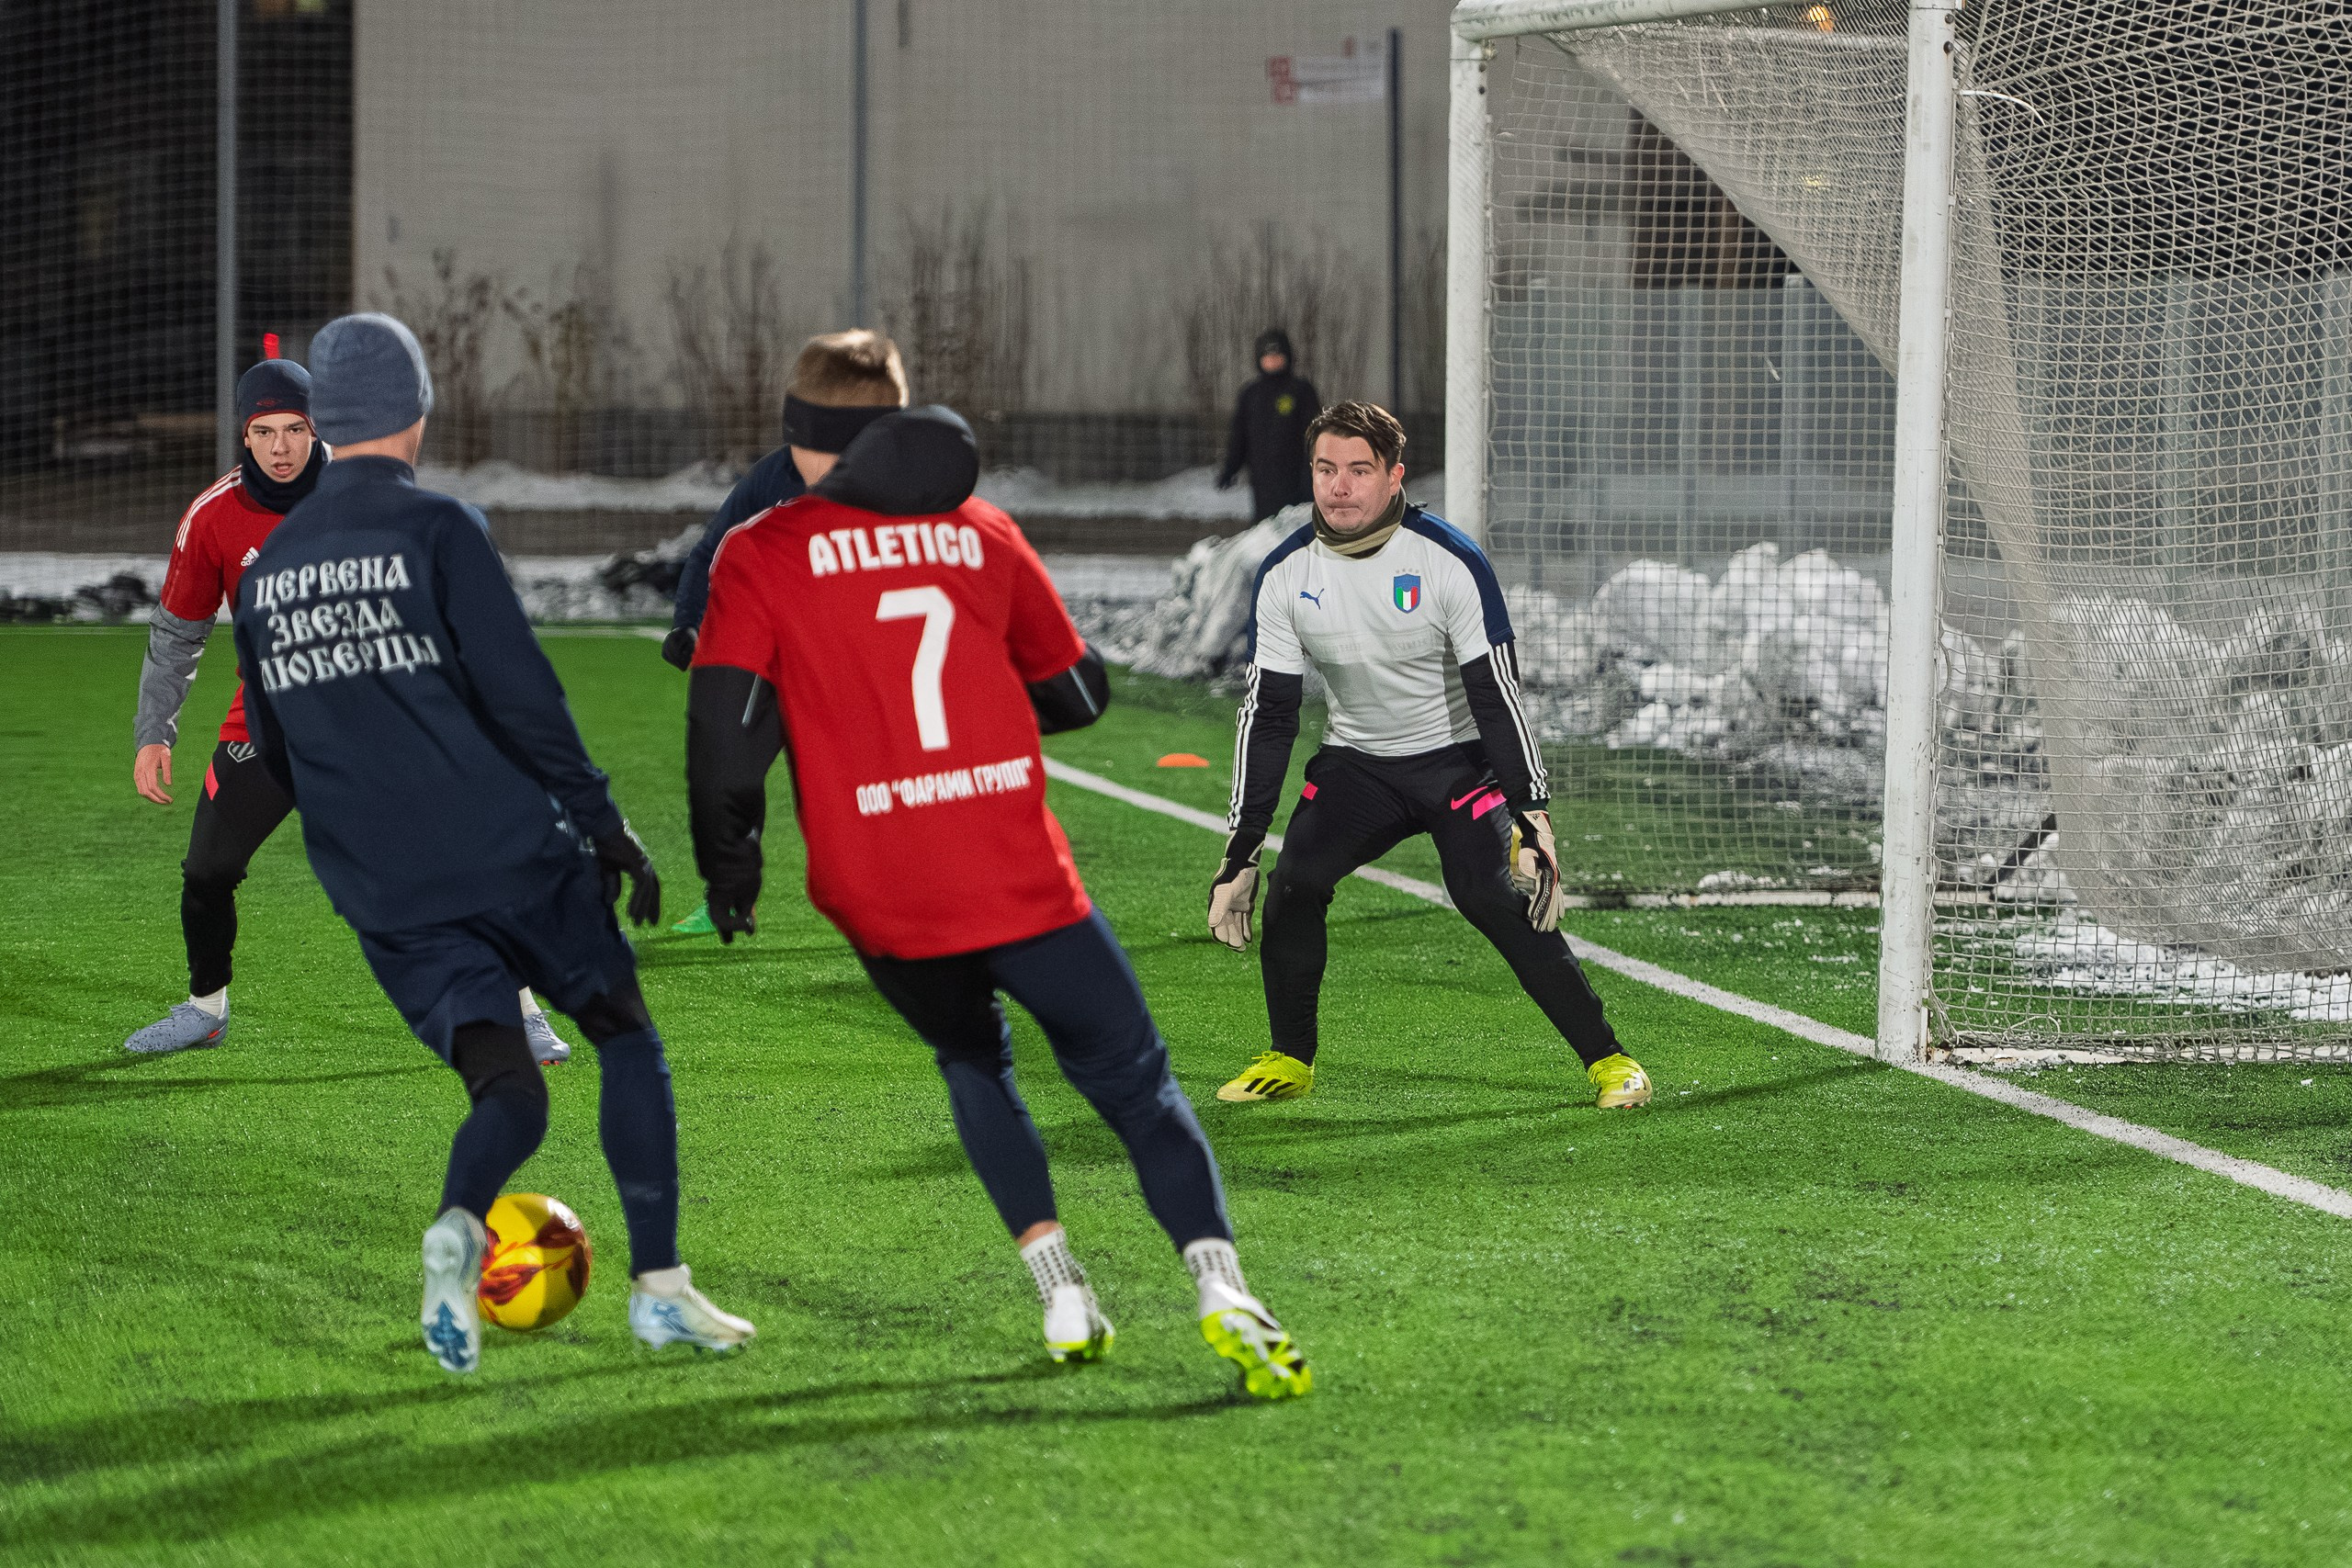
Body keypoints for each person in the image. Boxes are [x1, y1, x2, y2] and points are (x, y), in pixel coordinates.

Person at [684, 336, 1308, 1400]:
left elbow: (724, 745)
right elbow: (1074, 695)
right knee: (1139, 1087)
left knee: (978, 1067)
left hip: (877, 894)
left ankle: (1062, 1286)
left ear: (800, 436)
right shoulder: (981, 530)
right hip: (1013, 873)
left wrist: (729, 869)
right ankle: (1220, 1287)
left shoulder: (761, 549)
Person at [229, 312, 753, 1375]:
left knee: (509, 1090)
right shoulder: (439, 529)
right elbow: (524, 700)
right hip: (508, 854)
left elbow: (274, 751)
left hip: (383, 890)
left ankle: (457, 1233)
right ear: (420, 411)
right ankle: (658, 1291)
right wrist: (607, 828)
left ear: (324, 425)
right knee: (625, 1037)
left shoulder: (265, 569)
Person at [123, 358, 572, 1066]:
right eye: (263, 430)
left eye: (294, 428)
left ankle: (517, 1009)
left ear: (316, 426)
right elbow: (179, 632)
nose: (279, 446)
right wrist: (156, 731)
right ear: (244, 434)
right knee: (207, 870)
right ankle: (206, 1009)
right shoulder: (213, 516)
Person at [1206, 400, 1654, 1111]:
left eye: (1359, 470)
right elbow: (1269, 716)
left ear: (1394, 477)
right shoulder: (1286, 573)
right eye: (1326, 468)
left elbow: (1496, 695)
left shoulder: (1448, 560)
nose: (1339, 486)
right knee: (1296, 882)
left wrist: (1533, 815)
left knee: (1492, 894)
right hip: (1358, 764)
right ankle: (1290, 1058)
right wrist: (1242, 847)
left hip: (1456, 764)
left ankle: (1610, 1059)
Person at [655, 328, 910, 936]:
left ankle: (905, 896)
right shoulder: (773, 480)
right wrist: (688, 622)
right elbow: (708, 552)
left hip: (859, 669)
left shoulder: (906, 490)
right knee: (732, 771)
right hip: (773, 661)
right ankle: (731, 896)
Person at [1215, 329, 1320, 524]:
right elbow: (1239, 436)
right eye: (1268, 356)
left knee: (1296, 527)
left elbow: (1316, 434)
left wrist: (1314, 471)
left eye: (1277, 355)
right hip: (1263, 479)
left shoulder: (1301, 391)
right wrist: (1230, 469)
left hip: (1297, 477)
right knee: (1266, 529)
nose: (1273, 361)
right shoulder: (1251, 394)